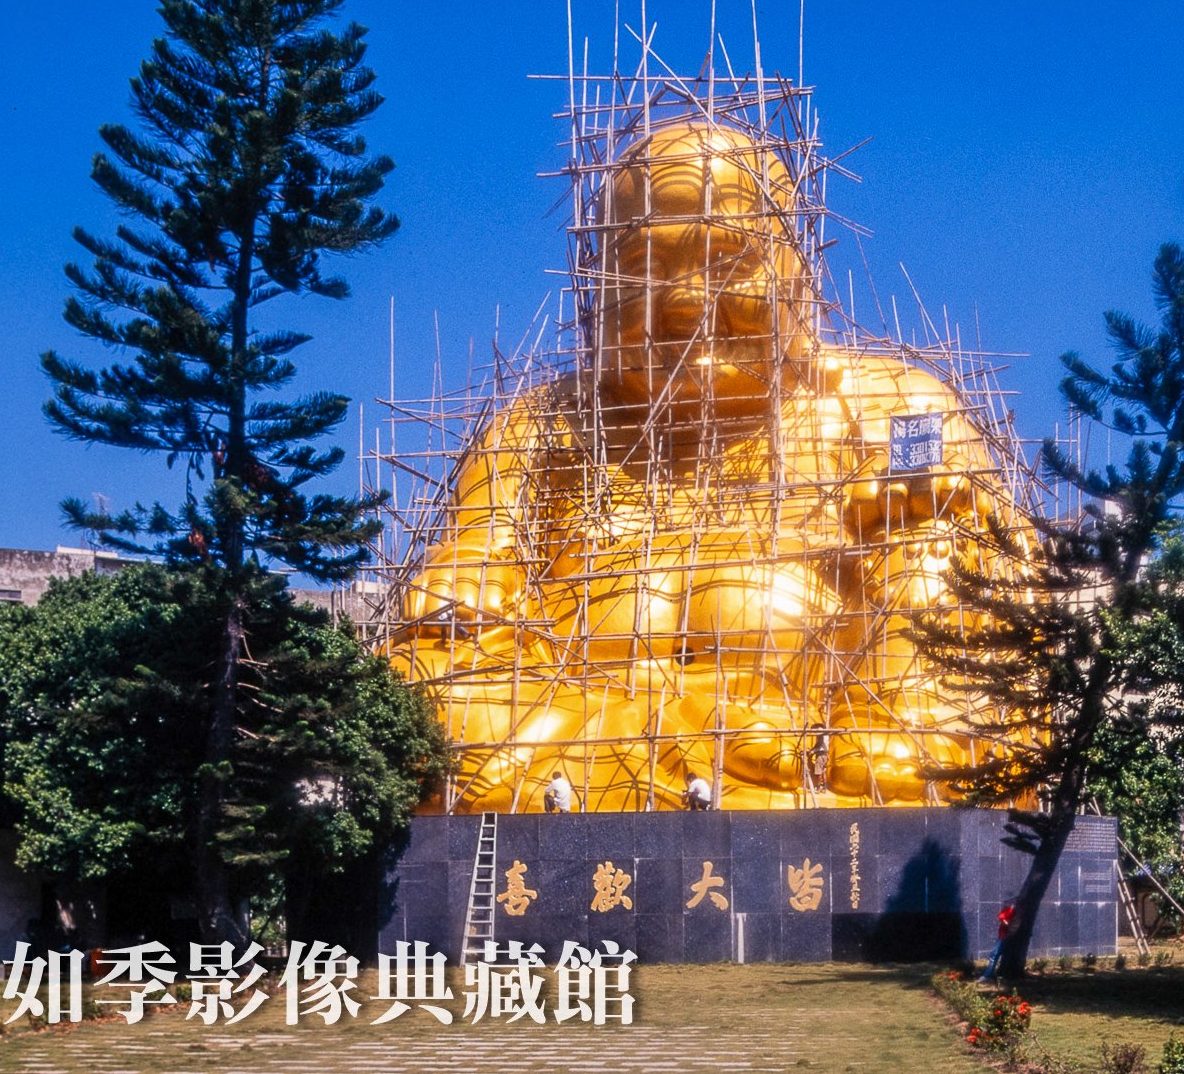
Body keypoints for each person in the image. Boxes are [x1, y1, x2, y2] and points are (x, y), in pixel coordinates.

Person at [393, 119, 1030, 812]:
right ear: (598, 288)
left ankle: (806, 772)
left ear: (796, 272)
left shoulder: (889, 403)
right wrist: (687, 722)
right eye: (642, 266)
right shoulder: (539, 427)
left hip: (817, 742)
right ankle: (708, 767)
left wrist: (925, 510)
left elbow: (983, 599)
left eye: (727, 258)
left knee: (944, 527)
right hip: (700, 748)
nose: (685, 300)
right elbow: (457, 617)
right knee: (420, 681)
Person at [981, 903, 1016, 982]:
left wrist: (1004, 920)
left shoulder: (1011, 909)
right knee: (996, 955)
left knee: (994, 954)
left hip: (1004, 937)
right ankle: (992, 974)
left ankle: (988, 975)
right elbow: (1001, 917)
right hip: (1003, 937)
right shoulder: (1009, 908)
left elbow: (1004, 919)